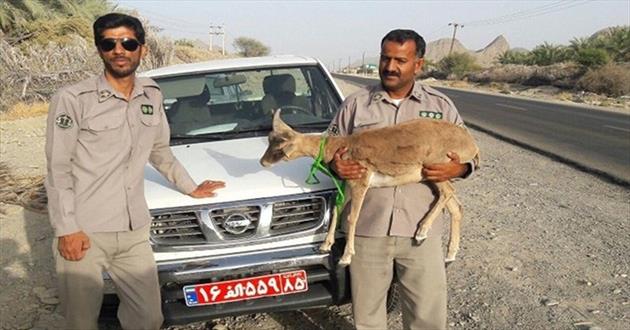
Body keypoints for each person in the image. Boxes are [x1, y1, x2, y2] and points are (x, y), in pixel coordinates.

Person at [44, 13, 226, 330]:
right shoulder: (73, 99)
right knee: (81, 321)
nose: (119, 50)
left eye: (128, 42)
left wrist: (189, 186)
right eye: (109, 43)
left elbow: (159, 150)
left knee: (148, 318)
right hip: (86, 231)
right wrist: (66, 228)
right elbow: (58, 168)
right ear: (99, 49)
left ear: (141, 48)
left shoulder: (151, 95)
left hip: (134, 232)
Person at [327, 29, 477, 329]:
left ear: (418, 65)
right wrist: (336, 166)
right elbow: (330, 152)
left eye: (400, 60)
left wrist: (459, 170)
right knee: (368, 316)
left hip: (420, 229)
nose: (390, 66)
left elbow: (469, 153)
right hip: (368, 228)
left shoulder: (440, 106)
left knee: (427, 315)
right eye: (385, 58)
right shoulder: (356, 105)